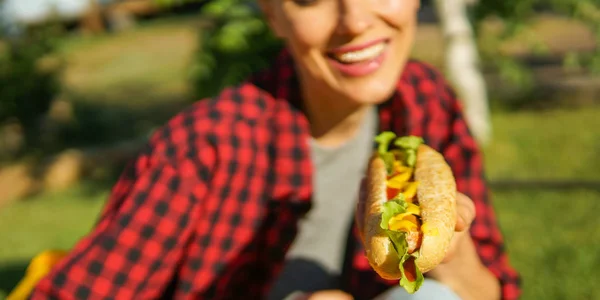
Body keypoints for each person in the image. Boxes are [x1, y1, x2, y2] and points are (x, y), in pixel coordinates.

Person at [30, 0, 521, 299]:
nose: (355, 20)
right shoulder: (205, 147)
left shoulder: (425, 102)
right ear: (273, 15)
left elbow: (494, 289)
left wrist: (454, 258)